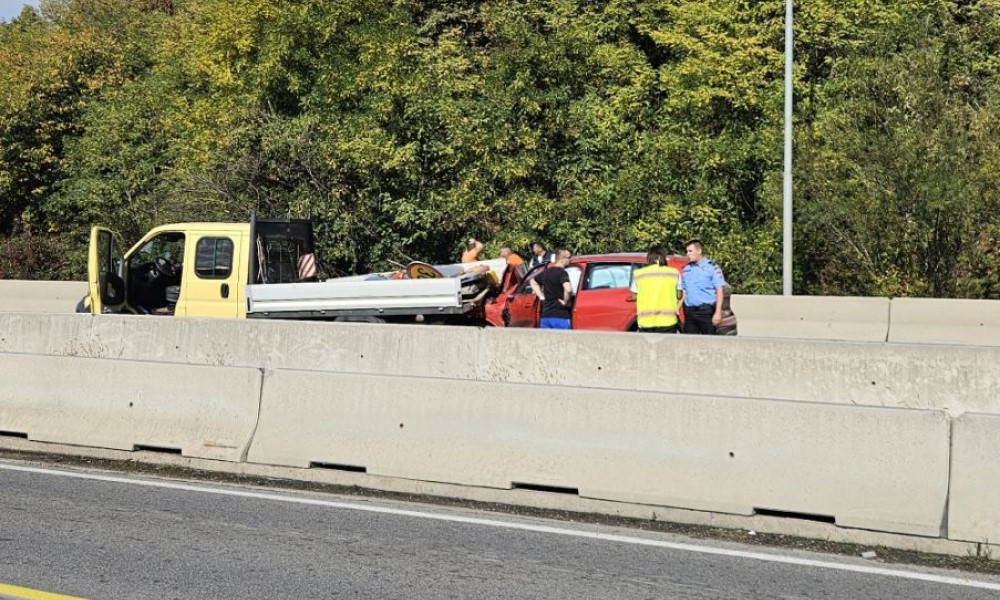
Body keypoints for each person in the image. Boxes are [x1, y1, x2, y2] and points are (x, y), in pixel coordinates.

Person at [678, 239, 727, 334]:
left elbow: (720, 290)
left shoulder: (712, 267)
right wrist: (677, 307)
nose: (687, 254)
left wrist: (718, 312)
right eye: (687, 251)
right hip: (689, 312)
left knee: (709, 342)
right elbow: (684, 291)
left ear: (699, 251)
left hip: (706, 311)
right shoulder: (686, 269)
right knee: (689, 342)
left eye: (690, 251)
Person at [633, 247, 681, 333]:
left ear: (649, 258)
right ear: (661, 257)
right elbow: (679, 295)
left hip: (645, 321)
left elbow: (634, 295)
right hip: (668, 321)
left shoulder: (638, 274)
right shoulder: (674, 273)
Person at [529, 249, 573, 329]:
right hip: (560, 316)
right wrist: (566, 301)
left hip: (546, 317)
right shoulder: (562, 272)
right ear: (562, 260)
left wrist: (541, 296)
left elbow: (532, 281)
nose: (570, 260)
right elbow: (568, 289)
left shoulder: (546, 272)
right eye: (569, 257)